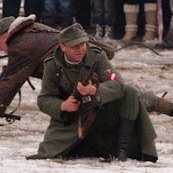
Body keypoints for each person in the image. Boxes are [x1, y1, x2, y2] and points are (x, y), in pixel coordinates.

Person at [0, 15, 173, 131]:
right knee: (116, 91)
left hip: (83, 65)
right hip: (85, 58)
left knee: (117, 96)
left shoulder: (20, 44)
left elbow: (8, 85)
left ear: (6, 35)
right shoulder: (34, 31)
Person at [32, 24, 157, 161]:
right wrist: (63, 105)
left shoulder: (96, 56)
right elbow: (43, 99)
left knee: (130, 93)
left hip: (98, 112)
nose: (80, 49)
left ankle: (123, 151)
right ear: (63, 47)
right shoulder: (52, 65)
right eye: (74, 46)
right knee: (48, 155)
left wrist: (95, 91)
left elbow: (118, 84)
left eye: (82, 44)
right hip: (72, 121)